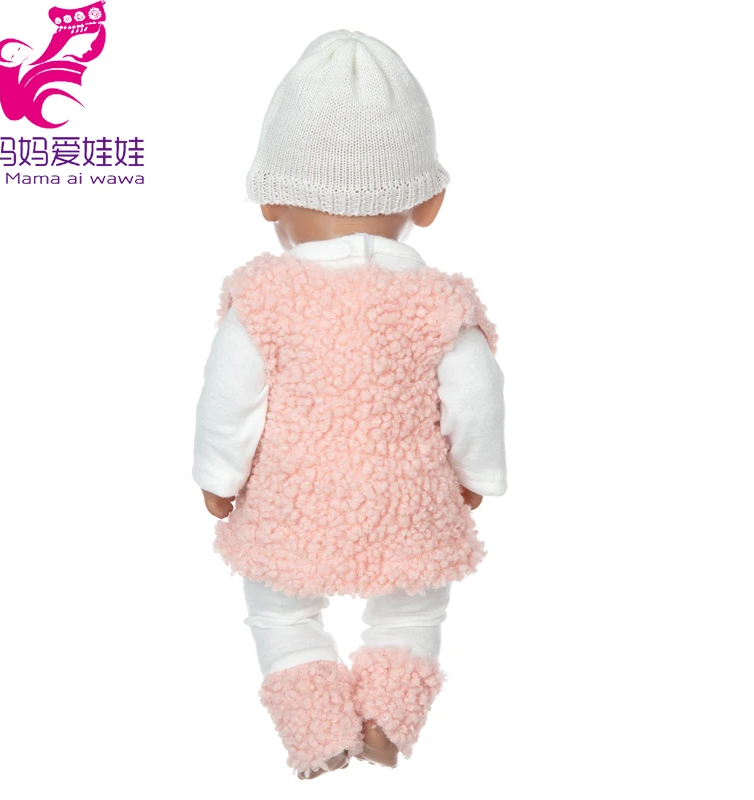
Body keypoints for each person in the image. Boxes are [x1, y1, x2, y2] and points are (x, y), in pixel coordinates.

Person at [193, 29, 507, 780]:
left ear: (268, 197)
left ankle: (318, 732)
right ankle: (387, 721)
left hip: (291, 503)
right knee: (413, 609)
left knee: (279, 610)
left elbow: (229, 400)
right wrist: (477, 476)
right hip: (408, 504)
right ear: (429, 202)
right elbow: (477, 397)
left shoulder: (263, 299)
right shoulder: (438, 303)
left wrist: (217, 477)